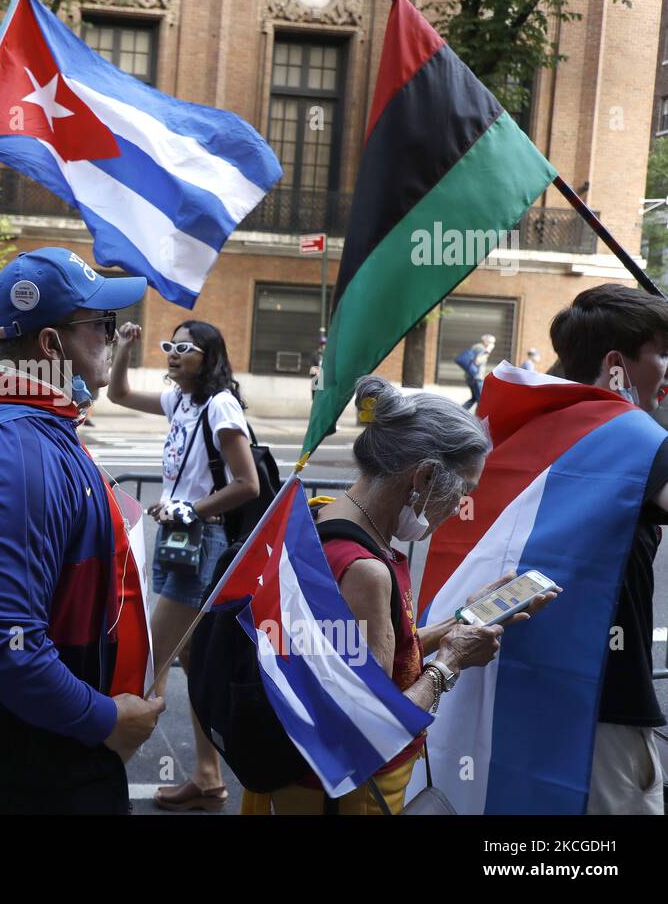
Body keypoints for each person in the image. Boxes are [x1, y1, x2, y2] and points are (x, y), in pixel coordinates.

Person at [0, 247, 162, 814]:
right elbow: (8, 650)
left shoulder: (15, 427)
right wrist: (108, 721)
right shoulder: (19, 452)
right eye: (102, 325)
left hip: (25, 760)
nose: (114, 336)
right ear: (51, 345)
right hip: (25, 775)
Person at [246, 375, 558, 814]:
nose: (458, 507)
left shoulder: (321, 520)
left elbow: (372, 657)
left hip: (300, 773)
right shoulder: (366, 570)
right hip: (348, 792)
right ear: (426, 474)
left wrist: (465, 619)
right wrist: (450, 664)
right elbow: (374, 724)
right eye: (464, 490)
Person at [107, 319, 260, 812]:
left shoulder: (220, 405)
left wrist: (189, 508)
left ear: (208, 356)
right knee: (191, 661)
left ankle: (103, 771)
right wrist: (126, 347)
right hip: (178, 537)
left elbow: (248, 483)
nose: (174, 354)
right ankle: (208, 776)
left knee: (149, 657)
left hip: (201, 536)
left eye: (186, 348)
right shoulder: (182, 402)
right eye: (170, 346)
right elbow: (121, 393)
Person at [549, 283, 668, 814]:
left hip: (544, 688)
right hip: (608, 707)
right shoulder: (630, 440)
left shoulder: (543, 427)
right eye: (663, 355)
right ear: (617, 364)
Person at [458, 333, 495, 410]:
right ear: (486, 341)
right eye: (492, 342)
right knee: (481, 400)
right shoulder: (481, 348)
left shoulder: (477, 346)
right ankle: (479, 419)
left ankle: (460, 411)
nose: (493, 345)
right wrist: (488, 351)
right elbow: (478, 361)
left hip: (470, 376)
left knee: (474, 398)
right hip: (476, 378)